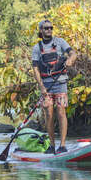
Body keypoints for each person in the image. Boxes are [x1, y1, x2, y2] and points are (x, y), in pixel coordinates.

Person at [32, 20, 77, 154]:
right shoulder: (36, 48)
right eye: (46, 28)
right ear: (41, 30)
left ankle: (62, 145)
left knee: (61, 112)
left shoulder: (60, 42)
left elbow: (73, 53)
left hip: (60, 83)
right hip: (46, 86)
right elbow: (35, 69)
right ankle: (52, 145)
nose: (49, 30)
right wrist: (41, 87)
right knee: (49, 114)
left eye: (51, 28)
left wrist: (70, 60)